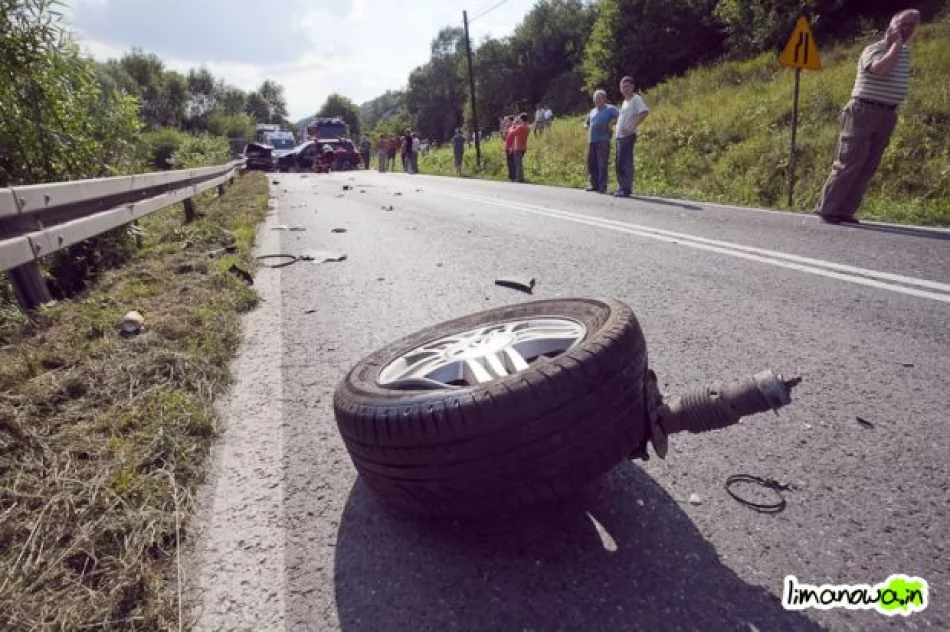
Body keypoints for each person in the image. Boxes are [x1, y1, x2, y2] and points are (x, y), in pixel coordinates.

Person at [815, 9, 921, 225]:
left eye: (912, 25)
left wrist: (900, 48)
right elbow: (881, 69)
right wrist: (895, 45)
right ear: (891, 27)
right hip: (863, 110)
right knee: (849, 162)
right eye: (903, 23)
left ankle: (845, 210)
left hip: (888, 113)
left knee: (868, 166)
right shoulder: (874, 49)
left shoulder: (906, 54)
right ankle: (828, 208)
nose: (906, 28)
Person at [614, 76, 650, 197]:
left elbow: (644, 112)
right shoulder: (625, 102)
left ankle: (626, 188)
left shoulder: (636, 99)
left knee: (625, 162)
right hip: (620, 136)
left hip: (628, 136)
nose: (624, 89)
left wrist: (631, 128)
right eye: (622, 87)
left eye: (627, 86)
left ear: (632, 87)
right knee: (619, 162)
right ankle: (621, 187)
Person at [583, 89, 620, 193]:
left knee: (602, 164)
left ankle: (602, 186)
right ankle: (593, 185)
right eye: (595, 98)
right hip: (592, 140)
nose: (597, 100)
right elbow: (586, 122)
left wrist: (612, 122)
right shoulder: (592, 111)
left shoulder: (610, 109)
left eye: (599, 98)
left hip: (603, 140)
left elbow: (621, 116)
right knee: (592, 164)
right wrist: (586, 126)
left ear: (604, 99)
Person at [508, 113, 530, 183]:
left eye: (520, 119)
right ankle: (520, 177)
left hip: (518, 147)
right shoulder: (527, 127)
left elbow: (511, 133)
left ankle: (519, 179)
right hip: (523, 147)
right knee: (519, 163)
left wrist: (513, 125)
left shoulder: (520, 127)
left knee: (517, 164)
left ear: (522, 119)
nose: (518, 120)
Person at [502, 115, 516, 181]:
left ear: (511, 121)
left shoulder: (513, 128)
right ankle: (510, 176)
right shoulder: (508, 128)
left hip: (511, 148)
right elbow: (504, 138)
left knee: (512, 162)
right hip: (507, 147)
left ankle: (514, 176)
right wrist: (505, 128)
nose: (507, 122)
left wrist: (512, 147)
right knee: (509, 162)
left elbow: (514, 139)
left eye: (508, 120)